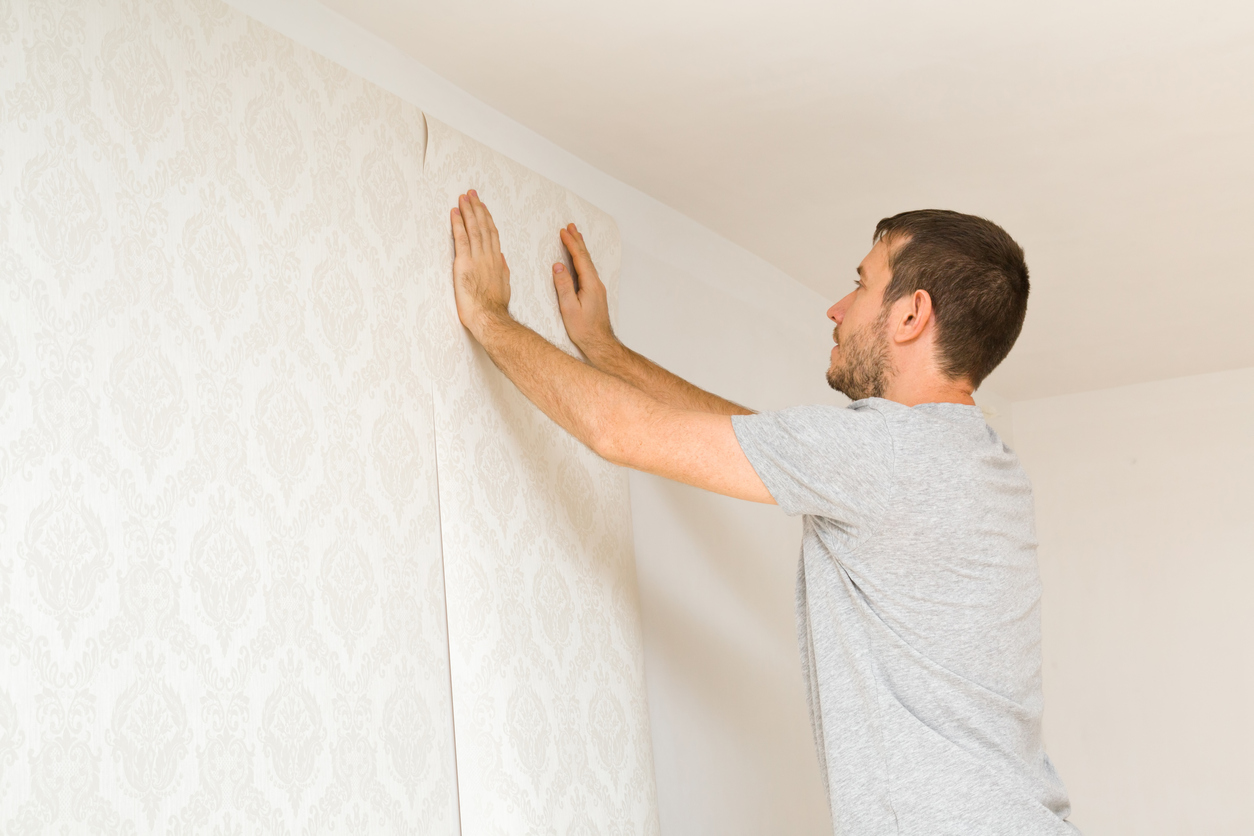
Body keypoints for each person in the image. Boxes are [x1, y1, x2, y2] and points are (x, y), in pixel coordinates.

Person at [449, 190, 1079, 835]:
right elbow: (753, 440)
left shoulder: (885, 454)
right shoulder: (977, 464)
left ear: (912, 315)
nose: (836, 309)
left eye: (861, 285)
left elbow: (617, 434)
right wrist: (607, 351)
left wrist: (490, 317)